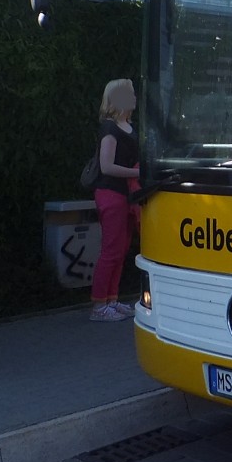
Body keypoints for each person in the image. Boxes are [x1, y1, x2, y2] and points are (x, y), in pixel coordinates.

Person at [89, 79, 141, 322]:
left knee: (121, 250)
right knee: (111, 250)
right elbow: (106, 166)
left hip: (128, 194)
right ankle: (99, 305)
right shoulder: (109, 129)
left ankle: (112, 299)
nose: (134, 96)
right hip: (111, 193)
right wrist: (137, 173)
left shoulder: (129, 125)